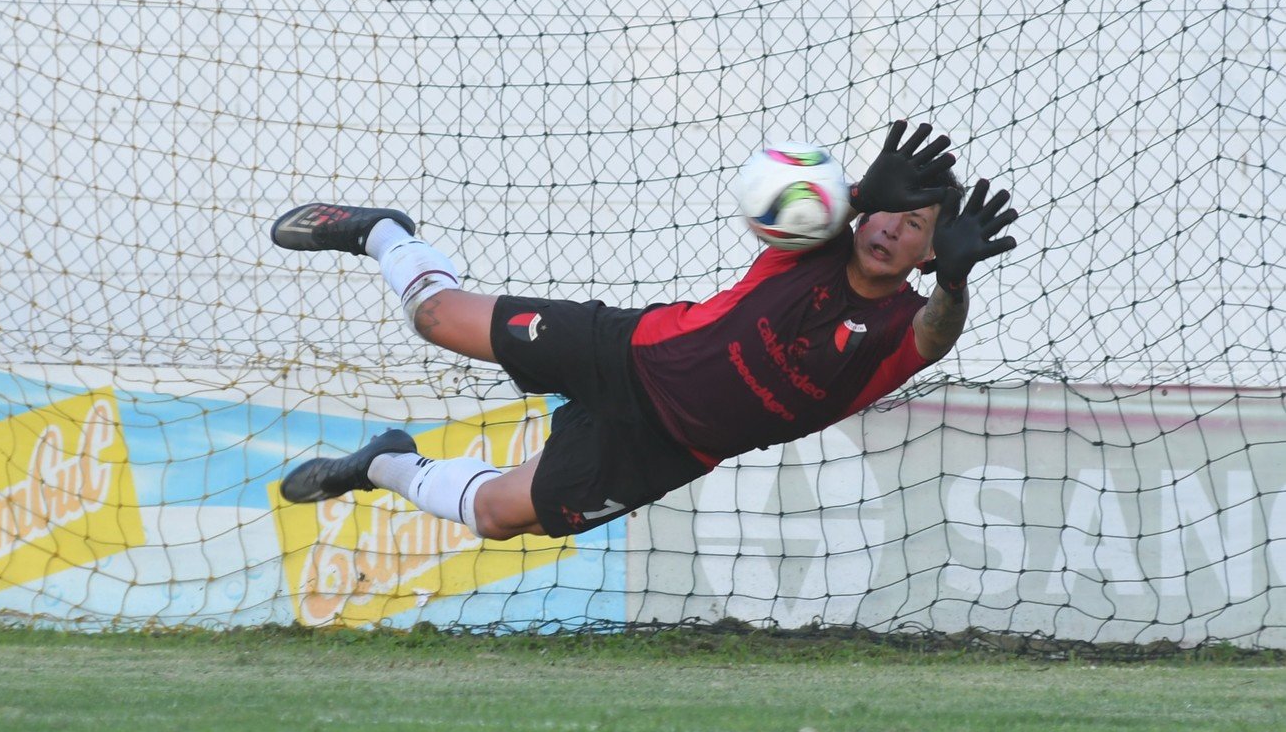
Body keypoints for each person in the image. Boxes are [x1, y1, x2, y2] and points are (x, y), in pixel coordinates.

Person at [272, 121, 1017, 542]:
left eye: (915, 227)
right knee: (434, 316)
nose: (889, 228)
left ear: (927, 252)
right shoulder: (816, 237)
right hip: (628, 353)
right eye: (891, 211)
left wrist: (953, 279)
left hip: (667, 445)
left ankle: (382, 463)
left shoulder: (900, 329)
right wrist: (857, 191)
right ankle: (380, 233)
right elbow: (782, 193)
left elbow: (937, 328)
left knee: (498, 515)